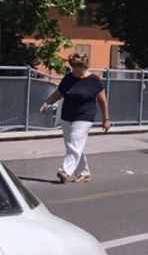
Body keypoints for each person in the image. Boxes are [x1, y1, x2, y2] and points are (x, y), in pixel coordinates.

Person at [39, 53, 111, 183]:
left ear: (85, 66)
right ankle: (84, 173)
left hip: (85, 116)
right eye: (73, 67)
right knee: (75, 146)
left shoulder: (94, 80)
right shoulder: (68, 78)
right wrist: (47, 103)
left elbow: (103, 101)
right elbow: (58, 94)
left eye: (78, 68)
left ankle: (65, 171)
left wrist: (106, 119)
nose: (76, 71)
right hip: (67, 115)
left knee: (75, 142)